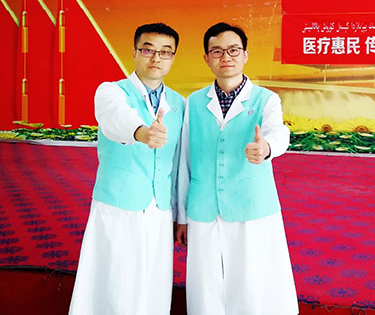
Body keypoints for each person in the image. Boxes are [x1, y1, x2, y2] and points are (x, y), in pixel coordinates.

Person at [175, 22, 298, 315]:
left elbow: (278, 132)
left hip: (250, 203)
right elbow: (185, 160)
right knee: (205, 283)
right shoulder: (194, 102)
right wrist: (181, 215)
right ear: (206, 58)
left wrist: (266, 147)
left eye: (233, 50)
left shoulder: (266, 99)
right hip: (203, 205)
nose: (226, 57)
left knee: (251, 279)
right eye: (217, 51)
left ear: (245, 55)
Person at [69, 23, 184, 315]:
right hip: (117, 205)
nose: (156, 58)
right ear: (134, 52)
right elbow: (116, 118)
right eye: (148, 49)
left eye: (165, 52)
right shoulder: (111, 91)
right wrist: (142, 132)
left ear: (173, 58)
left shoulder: (179, 104)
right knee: (115, 282)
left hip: (159, 209)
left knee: (153, 284)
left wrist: (179, 213)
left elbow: (178, 163)